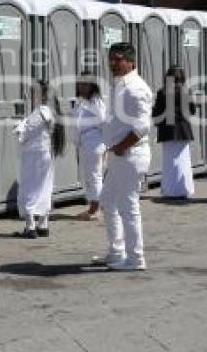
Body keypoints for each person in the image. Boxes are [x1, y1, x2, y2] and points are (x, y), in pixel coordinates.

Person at [92, 42, 153, 271]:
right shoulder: (119, 85)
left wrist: (120, 146)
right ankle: (117, 251)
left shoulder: (136, 87)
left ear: (131, 62)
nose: (113, 63)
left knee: (128, 206)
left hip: (130, 153)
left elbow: (141, 127)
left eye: (118, 59)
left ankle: (136, 258)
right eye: (111, 59)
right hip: (118, 154)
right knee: (107, 201)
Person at [14, 80, 64, 237]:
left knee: (29, 187)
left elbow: (24, 133)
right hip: (45, 154)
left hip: (34, 154)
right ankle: (43, 225)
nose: (29, 95)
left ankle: (30, 227)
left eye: (31, 92)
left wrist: (19, 126)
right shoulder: (50, 111)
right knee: (44, 187)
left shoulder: (39, 113)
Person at [153, 65, 197, 199]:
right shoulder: (186, 91)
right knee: (183, 161)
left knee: (169, 162)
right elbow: (192, 111)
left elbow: (157, 112)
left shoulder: (162, 92)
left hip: (167, 130)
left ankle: (170, 190)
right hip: (183, 130)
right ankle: (184, 189)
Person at [73, 72, 106, 221]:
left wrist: (103, 143)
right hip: (86, 142)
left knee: (94, 176)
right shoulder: (82, 101)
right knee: (90, 176)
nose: (81, 86)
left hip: (94, 142)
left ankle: (95, 209)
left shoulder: (96, 102)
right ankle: (94, 206)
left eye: (85, 83)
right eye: (80, 83)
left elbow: (103, 123)